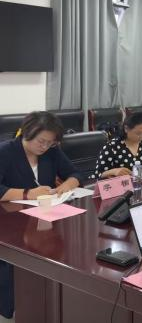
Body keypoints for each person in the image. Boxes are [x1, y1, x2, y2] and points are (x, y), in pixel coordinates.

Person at [0, 111, 83, 320]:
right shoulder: (5, 151)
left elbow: (75, 173)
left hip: (42, 219)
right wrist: (27, 193)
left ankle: (48, 302)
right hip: (10, 223)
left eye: (50, 143)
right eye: (41, 141)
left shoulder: (52, 152)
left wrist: (67, 184)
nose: (45, 147)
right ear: (27, 132)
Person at [94, 112, 142, 179]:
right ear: (126, 129)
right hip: (121, 187)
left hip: (141, 184)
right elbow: (97, 174)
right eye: (138, 133)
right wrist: (114, 171)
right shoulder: (112, 147)